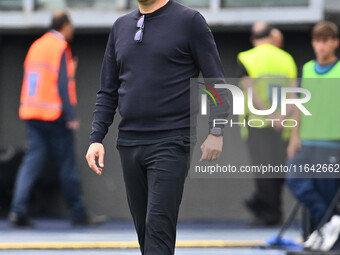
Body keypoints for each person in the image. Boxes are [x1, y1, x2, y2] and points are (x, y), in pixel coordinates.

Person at [85, 0, 229, 254]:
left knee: (158, 230)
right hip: (129, 143)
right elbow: (108, 91)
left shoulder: (190, 21)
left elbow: (216, 81)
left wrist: (216, 130)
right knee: (145, 234)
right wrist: (96, 137)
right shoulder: (120, 27)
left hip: (171, 141)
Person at [9, 11, 88, 226]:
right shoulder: (60, 47)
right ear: (64, 26)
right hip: (54, 114)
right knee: (67, 165)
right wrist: (71, 115)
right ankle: (79, 214)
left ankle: (17, 211)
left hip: (32, 112)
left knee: (31, 163)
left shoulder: (37, 46)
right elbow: (62, 83)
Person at [237, 22, 297, 226]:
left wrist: (269, 116)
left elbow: (250, 90)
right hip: (283, 124)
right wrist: (281, 116)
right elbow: (293, 92)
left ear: (253, 39)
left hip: (257, 123)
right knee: (278, 168)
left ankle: (268, 212)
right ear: (271, 37)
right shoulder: (286, 58)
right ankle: (268, 208)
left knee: (263, 169)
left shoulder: (246, 58)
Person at [286, 21, 340, 233]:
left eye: (325, 41)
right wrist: (294, 136)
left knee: (326, 193)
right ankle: (332, 224)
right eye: (317, 41)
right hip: (306, 142)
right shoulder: (307, 69)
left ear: (335, 42)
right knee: (295, 181)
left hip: (332, 143)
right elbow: (299, 106)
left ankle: (323, 237)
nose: (320, 46)